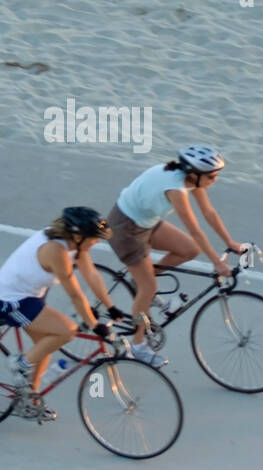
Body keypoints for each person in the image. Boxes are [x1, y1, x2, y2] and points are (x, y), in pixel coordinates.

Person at [105, 145, 247, 367]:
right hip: (126, 229)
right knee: (149, 287)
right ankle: (137, 345)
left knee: (189, 249)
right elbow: (195, 229)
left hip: (147, 223)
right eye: (212, 176)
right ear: (194, 173)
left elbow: (209, 213)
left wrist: (229, 242)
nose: (215, 180)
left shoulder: (191, 179)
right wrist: (217, 263)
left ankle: (142, 283)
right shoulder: (175, 189)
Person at [0, 207, 120, 419]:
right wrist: (95, 326)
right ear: (78, 236)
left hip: (31, 295)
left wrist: (111, 307)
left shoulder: (75, 244)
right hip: (10, 300)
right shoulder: (56, 251)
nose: (97, 242)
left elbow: (92, 275)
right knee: (66, 331)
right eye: (94, 238)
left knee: (46, 345)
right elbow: (76, 295)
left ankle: (28, 399)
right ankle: (19, 365)